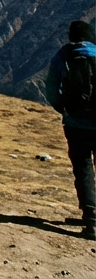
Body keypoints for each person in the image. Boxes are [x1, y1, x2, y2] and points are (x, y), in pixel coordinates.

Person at [45, 20, 96, 241]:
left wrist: (64, 109)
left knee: (83, 169)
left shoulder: (63, 55)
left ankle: (91, 221)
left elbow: (51, 87)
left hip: (76, 124)